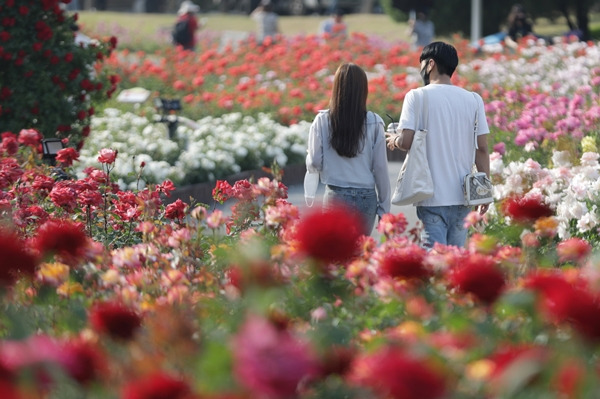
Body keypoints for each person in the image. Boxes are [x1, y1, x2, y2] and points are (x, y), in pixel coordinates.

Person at [385, 42, 490, 249]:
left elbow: (407, 141)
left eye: (422, 63)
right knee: (456, 262)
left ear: (430, 64)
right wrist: (485, 191)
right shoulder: (473, 99)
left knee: (435, 264)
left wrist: (393, 140)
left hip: (431, 196)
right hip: (463, 197)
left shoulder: (416, 96)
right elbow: (482, 149)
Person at [306, 63, 391, 236]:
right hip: (366, 197)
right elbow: (381, 168)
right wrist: (384, 208)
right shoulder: (375, 122)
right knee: (360, 253)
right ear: (363, 90)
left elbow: (314, 161)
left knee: (335, 255)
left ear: (336, 87)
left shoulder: (322, 120)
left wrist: (313, 161)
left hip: (336, 196)